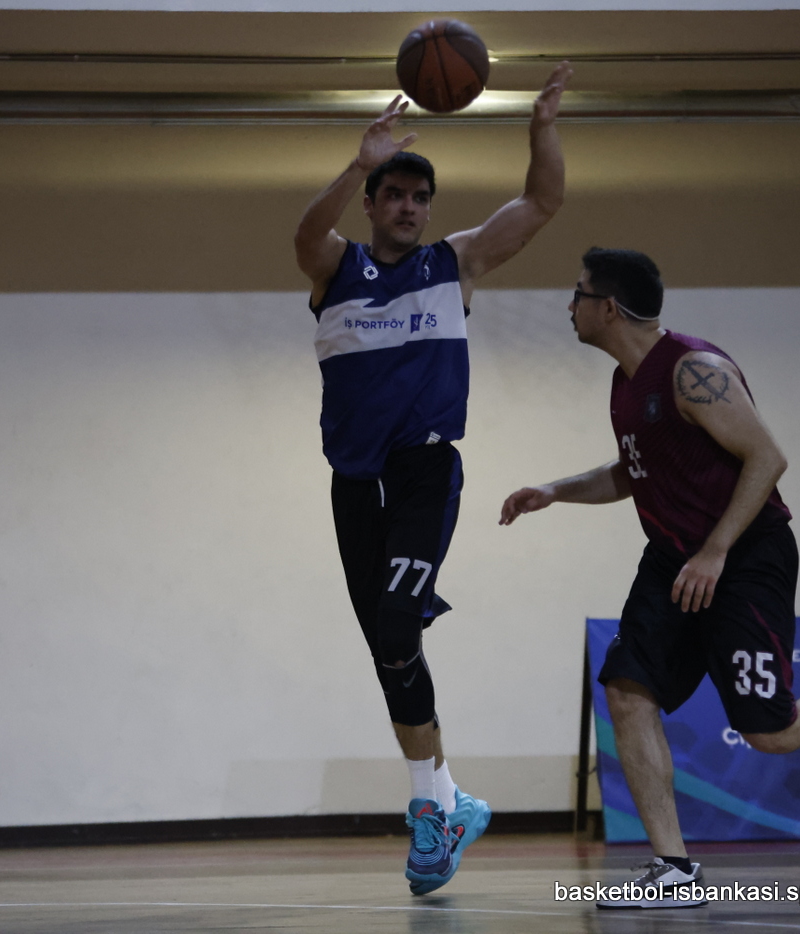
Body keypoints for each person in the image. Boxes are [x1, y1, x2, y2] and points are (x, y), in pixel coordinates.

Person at [499, 247, 800, 909]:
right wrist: (554, 491)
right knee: (628, 692)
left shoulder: (694, 370)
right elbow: (631, 471)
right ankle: (673, 870)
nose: (569, 305)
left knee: (768, 731)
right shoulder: (625, 382)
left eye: (577, 293)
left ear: (608, 307)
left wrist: (717, 550)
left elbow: (767, 457)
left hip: (745, 556)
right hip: (673, 559)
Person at [293, 63, 573, 895]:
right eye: (395, 194)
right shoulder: (336, 268)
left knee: (394, 622)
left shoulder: (456, 264)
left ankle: (428, 808)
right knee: (389, 651)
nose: (410, 207)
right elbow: (304, 235)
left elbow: (542, 204)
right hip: (353, 482)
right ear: (373, 204)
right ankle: (451, 803)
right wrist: (355, 163)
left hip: (423, 470)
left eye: (421, 197)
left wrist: (542, 129)